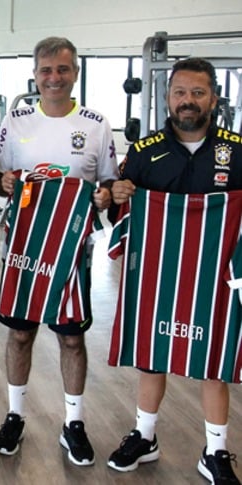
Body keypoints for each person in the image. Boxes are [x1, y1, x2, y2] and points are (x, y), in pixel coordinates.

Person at [107, 57, 242, 484]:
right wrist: (117, 194)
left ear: (214, 99)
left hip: (216, 277)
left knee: (213, 363)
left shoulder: (237, 152)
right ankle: (145, 437)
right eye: (180, 92)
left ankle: (216, 451)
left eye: (198, 93)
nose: (188, 101)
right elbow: (118, 216)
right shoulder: (144, 153)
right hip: (158, 275)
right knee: (152, 357)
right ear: (167, 98)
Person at [0, 36, 117, 466]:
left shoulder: (97, 124)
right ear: (35, 74)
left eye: (63, 69)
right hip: (25, 246)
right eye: (46, 70)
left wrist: (103, 197)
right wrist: (6, 182)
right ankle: (14, 415)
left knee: (71, 338)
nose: (54, 78)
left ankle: (74, 423)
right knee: (20, 333)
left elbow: (108, 184)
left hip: (73, 251)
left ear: (76, 73)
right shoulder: (17, 120)